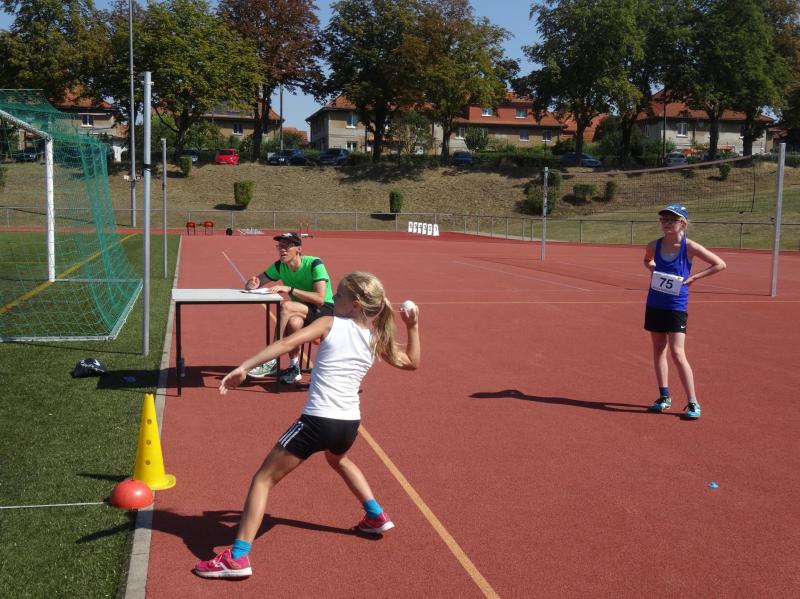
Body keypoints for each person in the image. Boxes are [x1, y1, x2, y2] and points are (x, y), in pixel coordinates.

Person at [194, 272, 421, 579]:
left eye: (338, 295)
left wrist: (244, 367)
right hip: (348, 424)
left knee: (262, 480)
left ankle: (237, 558)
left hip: (318, 420)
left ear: (355, 304)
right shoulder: (374, 338)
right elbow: (412, 362)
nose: (333, 299)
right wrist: (413, 326)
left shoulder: (329, 323)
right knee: (337, 459)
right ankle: (375, 515)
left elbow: (288, 342)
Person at [643, 204, 726, 419]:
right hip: (655, 303)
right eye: (664, 219)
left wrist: (694, 277)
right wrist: (654, 269)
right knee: (658, 350)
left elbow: (719, 264)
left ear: (683, 224)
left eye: (672, 220)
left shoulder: (689, 247)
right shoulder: (653, 245)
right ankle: (664, 397)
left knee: (677, 353)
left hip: (676, 305)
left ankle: (692, 402)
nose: (667, 223)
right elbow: (647, 260)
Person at [245, 232, 334, 384]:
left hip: (325, 310)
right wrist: (252, 284)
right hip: (301, 310)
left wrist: (290, 289)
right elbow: (256, 282)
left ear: (298, 249)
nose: (282, 249)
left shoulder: (314, 263)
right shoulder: (279, 266)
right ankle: (294, 368)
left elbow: (320, 298)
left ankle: (271, 359)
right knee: (294, 323)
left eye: (287, 246)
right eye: (280, 246)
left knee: (286, 306)